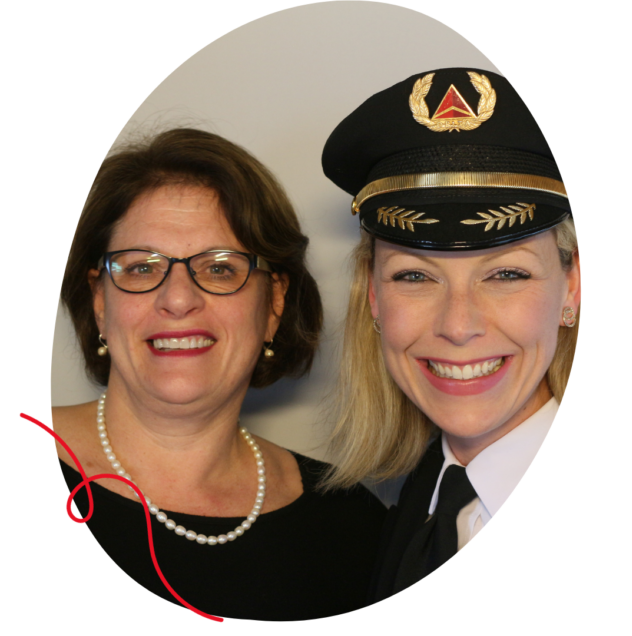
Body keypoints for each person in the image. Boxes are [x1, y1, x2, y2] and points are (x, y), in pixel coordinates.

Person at [54, 128, 386, 620]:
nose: (179, 299)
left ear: (274, 303)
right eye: (142, 268)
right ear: (101, 301)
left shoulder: (355, 527)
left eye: (220, 268)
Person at [321, 68, 580, 601]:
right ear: (373, 296)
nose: (458, 326)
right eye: (413, 276)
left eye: (506, 274)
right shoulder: (417, 501)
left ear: (572, 289)